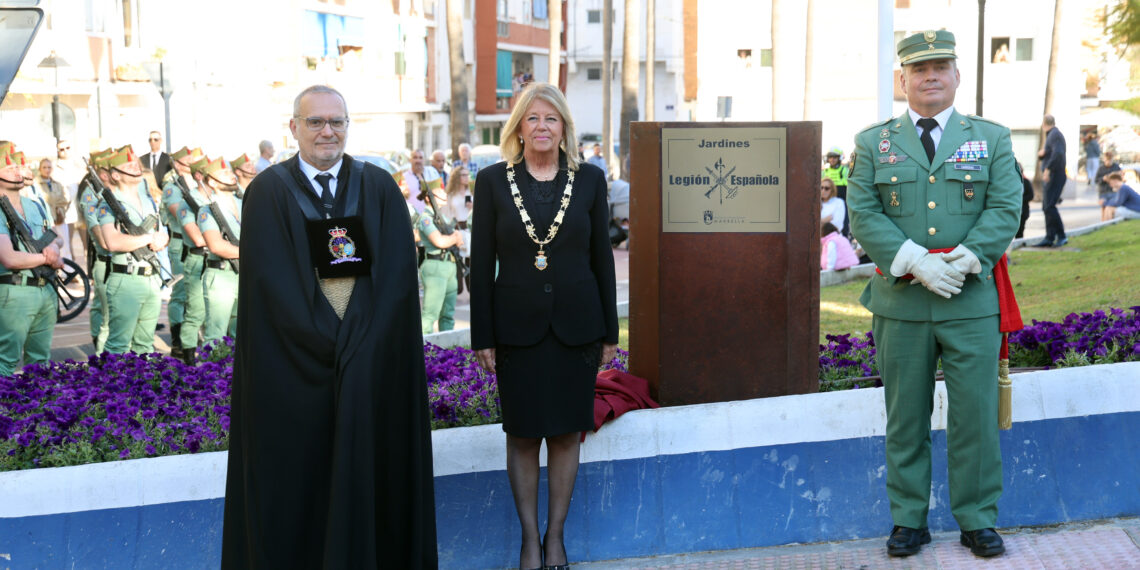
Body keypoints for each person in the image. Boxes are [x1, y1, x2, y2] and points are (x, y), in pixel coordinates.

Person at [222, 84, 437, 568]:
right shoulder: (268, 194)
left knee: (373, 476)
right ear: (293, 127)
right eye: (315, 121)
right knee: (301, 483)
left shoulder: (378, 188)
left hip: (370, 370)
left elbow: (398, 280)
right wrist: (324, 342)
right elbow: (268, 287)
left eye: (336, 122)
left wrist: (361, 342)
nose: (327, 131)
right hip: (296, 373)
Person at [847, 31, 1021, 559]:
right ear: (902, 79)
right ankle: (908, 521)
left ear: (957, 75)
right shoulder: (872, 142)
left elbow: (1004, 206)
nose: (931, 76)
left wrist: (967, 259)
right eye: (919, 69)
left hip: (970, 301)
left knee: (975, 417)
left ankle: (976, 519)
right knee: (906, 418)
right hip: (902, 302)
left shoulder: (991, 138)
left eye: (941, 66)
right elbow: (864, 212)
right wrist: (915, 263)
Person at [470, 82, 619, 570]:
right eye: (532, 119)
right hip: (516, 331)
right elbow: (481, 263)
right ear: (518, 127)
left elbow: (602, 261)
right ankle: (528, 541)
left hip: (577, 329)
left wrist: (610, 334)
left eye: (550, 119)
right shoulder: (493, 181)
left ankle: (555, 539)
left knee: (564, 436)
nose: (541, 127)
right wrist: (483, 336)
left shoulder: (592, 180)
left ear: (563, 128)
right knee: (522, 436)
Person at [94, 147, 169, 354]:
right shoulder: (109, 203)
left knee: (145, 345)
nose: (135, 167)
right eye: (128, 166)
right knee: (119, 345)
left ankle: (142, 385)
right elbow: (112, 242)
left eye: (136, 164)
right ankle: (113, 385)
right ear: (116, 175)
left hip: (151, 277)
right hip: (126, 279)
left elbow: (161, 231)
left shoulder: (148, 198)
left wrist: (162, 238)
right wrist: (148, 238)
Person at [0, 145, 63, 376]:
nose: (18, 172)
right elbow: (9, 258)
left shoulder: (34, 205)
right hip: (14, 290)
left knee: (40, 363)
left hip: (45, 289)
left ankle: (36, 410)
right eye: (9, 168)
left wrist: (53, 249)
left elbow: (56, 238)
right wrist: (47, 257)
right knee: (5, 361)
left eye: (18, 167)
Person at [162, 147, 211, 362]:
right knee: (181, 293)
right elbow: (178, 213)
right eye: (188, 160)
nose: (192, 163)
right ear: (178, 164)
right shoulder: (173, 188)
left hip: (203, 245)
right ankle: (178, 341)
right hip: (181, 243)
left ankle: (193, 337)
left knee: (201, 296)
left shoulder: (200, 187)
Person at [192, 157, 241, 345]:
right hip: (222, 277)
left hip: (245, 275)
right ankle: (212, 373)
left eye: (230, 171)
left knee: (243, 334)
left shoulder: (246, 203)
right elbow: (216, 245)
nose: (231, 175)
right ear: (211, 181)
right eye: (224, 173)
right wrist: (254, 251)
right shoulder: (208, 211)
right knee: (216, 338)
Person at [78, 148, 115, 351]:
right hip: (107, 260)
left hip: (117, 260)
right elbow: (102, 238)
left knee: (103, 309)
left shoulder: (111, 192)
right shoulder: (91, 196)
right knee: (108, 318)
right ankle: (103, 360)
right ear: (101, 173)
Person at [417, 175, 463, 334]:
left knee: (448, 314)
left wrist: (455, 237)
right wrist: (455, 237)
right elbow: (440, 241)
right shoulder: (426, 218)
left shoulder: (441, 217)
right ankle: (425, 352)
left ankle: (447, 348)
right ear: (430, 198)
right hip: (435, 266)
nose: (444, 194)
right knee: (430, 314)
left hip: (449, 265)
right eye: (440, 192)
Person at [1034, 114, 1067, 247]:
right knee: (1046, 207)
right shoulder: (1053, 135)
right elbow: (1053, 153)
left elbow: (1058, 154)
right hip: (1053, 174)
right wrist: (1043, 154)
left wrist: (1047, 169)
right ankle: (1050, 237)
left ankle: (1061, 236)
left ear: (1043, 124)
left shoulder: (1055, 135)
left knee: (1049, 206)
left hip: (1055, 174)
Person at [36, 158, 72, 260]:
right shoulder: (36, 185)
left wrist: (60, 211)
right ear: (39, 169)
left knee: (65, 245)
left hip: (59, 219)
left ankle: (68, 270)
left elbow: (64, 199)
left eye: (49, 167)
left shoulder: (57, 184)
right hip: (45, 221)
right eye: (44, 167)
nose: (47, 170)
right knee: (51, 245)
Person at [403, 148, 441, 214]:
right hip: (411, 217)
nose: (418, 160)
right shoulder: (404, 177)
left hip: (431, 216)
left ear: (424, 160)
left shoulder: (432, 172)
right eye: (415, 157)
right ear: (410, 160)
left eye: (420, 158)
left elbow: (439, 193)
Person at [1095, 150, 1122, 221]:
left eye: (1110, 160)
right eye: (1107, 160)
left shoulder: (1116, 167)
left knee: (1112, 209)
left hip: (1113, 191)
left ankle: (1111, 223)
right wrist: (1103, 179)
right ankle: (1103, 223)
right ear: (1104, 159)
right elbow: (1096, 180)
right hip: (1103, 192)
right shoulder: (1101, 168)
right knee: (1104, 209)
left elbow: (1121, 177)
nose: (1109, 162)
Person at [1016, 161, 1034, 239]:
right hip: (1014, 209)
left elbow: (1031, 195)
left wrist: (1020, 200)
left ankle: (1019, 242)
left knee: (1020, 229)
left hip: (1023, 210)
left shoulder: (1026, 181)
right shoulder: (1010, 182)